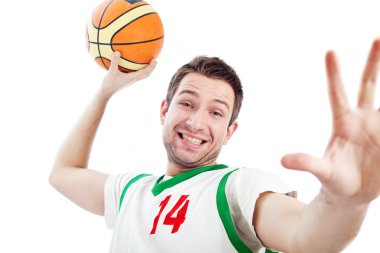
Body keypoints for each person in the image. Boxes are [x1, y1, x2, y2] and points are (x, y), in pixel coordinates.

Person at [49, 38, 380, 253]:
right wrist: (106, 92)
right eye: (187, 103)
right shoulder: (131, 191)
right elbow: (62, 173)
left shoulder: (236, 188)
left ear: (229, 131)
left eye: (216, 112)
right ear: (164, 111)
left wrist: (345, 204)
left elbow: (306, 237)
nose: (196, 122)